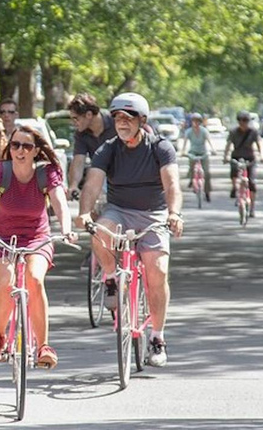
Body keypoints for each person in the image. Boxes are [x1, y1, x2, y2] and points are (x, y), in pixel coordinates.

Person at [75, 92, 183, 368]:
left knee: (157, 270)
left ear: (142, 120)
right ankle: (111, 276)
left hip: (154, 214)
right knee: (99, 232)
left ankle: (157, 338)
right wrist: (85, 212)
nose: (122, 123)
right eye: (117, 118)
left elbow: (171, 185)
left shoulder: (160, 147)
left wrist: (174, 214)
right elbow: (92, 183)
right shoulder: (108, 149)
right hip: (119, 210)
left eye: (128, 118)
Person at [0, 125, 78, 369]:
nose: (20, 150)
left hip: (37, 238)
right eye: (15, 145)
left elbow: (59, 203)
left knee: (34, 279)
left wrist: (66, 229)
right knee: (5, 280)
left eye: (27, 146)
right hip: (3, 238)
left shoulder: (46, 173)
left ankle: (44, 345)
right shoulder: (0, 171)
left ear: (36, 150)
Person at [67, 93, 117, 199]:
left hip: (124, 172)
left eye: (76, 118)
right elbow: (79, 161)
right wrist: (74, 185)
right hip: (101, 175)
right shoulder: (81, 134)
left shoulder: (115, 122)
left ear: (89, 115)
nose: (73, 123)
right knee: (91, 197)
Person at [223, 110, 263, 217]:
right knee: (234, 173)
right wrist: (226, 156)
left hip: (250, 158)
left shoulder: (253, 132)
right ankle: (235, 188)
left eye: (246, 121)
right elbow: (228, 145)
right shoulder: (233, 132)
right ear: (238, 121)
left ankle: (252, 209)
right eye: (241, 121)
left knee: (252, 183)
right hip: (236, 157)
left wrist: (262, 155)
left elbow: (259, 143)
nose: (243, 123)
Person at [181, 112, 217, 202]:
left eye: (197, 121)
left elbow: (209, 140)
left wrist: (213, 150)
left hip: (203, 152)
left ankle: (207, 192)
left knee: (207, 173)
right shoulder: (188, 131)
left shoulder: (204, 131)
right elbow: (185, 143)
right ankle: (191, 179)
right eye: (194, 121)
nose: (196, 123)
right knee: (192, 168)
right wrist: (183, 151)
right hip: (193, 152)